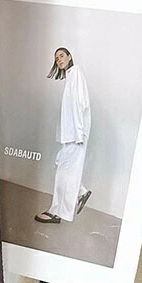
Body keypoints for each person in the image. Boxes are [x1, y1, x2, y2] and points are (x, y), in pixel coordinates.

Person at [35, 46, 92, 224]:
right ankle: (81, 192)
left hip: (76, 135)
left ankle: (57, 212)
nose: (59, 60)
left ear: (69, 56)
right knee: (62, 166)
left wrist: (79, 134)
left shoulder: (76, 73)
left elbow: (80, 104)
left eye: (61, 56)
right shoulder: (70, 76)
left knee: (64, 171)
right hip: (71, 135)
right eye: (56, 58)